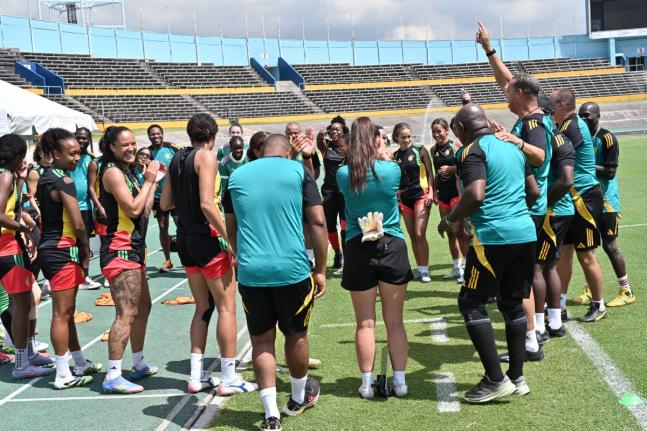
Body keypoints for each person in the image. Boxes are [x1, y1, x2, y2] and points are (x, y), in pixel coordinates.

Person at [223, 134, 327, 431]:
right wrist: (320, 268)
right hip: (290, 269)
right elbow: (318, 223)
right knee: (296, 335)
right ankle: (296, 399)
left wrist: (242, 259)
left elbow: (230, 229)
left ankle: (271, 415)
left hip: (252, 272)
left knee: (261, 340)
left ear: (261, 152)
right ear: (286, 152)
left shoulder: (237, 175)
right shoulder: (297, 171)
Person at [438, 104, 538, 403]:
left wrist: (449, 219)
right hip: (525, 232)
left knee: (471, 303)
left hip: (493, 237)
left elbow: (475, 194)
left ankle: (495, 379)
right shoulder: (511, 145)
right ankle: (517, 377)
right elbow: (532, 191)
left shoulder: (471, 151)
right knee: (512, 304)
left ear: (459, 129)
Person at [161, 114, 256, 395]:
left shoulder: (175, 159)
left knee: (202, 307)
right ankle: (229, 378)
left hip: (187, 240)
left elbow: (165, 202)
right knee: (227, 307)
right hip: (207, 239)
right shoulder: (206, 157)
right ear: (213, 136)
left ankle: (196, 376)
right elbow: (206, 203)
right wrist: (230, 239)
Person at [477, 22, 551, 358]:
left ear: (521, 95)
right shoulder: (529, 115)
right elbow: (508, 80)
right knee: (527, 275)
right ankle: (534, 333)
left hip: (530, 211)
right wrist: (489, 50)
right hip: (529, 209)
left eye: (509, 91)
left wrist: (512, 139)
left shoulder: (533, 123)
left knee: (523, 278)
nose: (503, 92)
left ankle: (531, 338)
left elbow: (538, 156)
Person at [337, 117, 414, 399]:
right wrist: (383, 155)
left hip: (358, 246)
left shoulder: (343, 174)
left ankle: (366, 383)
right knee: (395, 321)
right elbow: (402, 182)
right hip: (391, 245)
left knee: (365, 323)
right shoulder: (391, 170)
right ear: (377, 140)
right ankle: (401, 381)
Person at [38, 128, 102, 389]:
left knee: (67, 312)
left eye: (78, 153)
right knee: (61, 314)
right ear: (55, 153)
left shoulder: (45, 177)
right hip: (62, 249)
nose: (77, 158)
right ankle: (63, 373)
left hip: (52, 248)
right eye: (71, 153)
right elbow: (77, 222)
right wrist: (86, 248)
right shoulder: (63, 181)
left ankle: (79, 362)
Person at [99, 126, 161, 394]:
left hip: (135, 249)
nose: (131, 148)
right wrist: (148, 181)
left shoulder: (130, 172)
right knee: (126, 314)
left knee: (143, 308)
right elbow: (133, 208)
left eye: (133, 143)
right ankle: (113, 375)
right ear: (111, 147)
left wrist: (153, 181)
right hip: (119, 250)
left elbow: (144, 210)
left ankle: (138, 364)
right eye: (124, 144)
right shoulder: (112, 172)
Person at [549, 89, 607, 322]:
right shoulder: (565, 125)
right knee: (564, 254)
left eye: (552, 104)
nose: (550, 108)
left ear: (562, 104)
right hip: (571, 198)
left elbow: (557, 157)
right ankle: (559, 305)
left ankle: (598, 304)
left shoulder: (572, 126)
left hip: (584, 197)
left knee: (586, 255)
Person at [0, 134, 53, 379]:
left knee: (30, 300)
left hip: (8, 248)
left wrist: (20, 181)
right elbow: (0, 214)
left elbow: (12, 205)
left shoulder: (9, 176)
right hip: (7, 249)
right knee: (21, 306)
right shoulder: (5, 175)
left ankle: (29, 353)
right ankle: (21, 363)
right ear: (19, 155)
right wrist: (23, 229)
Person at [578, 102, 634, 307]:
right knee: (588, 248)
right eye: (580, 116)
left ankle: (626, 290)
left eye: (587, 116)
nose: (584, 119)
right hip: (588, 201)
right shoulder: (580, 138)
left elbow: (610, 172)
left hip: (607, 202)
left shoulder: (607, 138)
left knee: (610, 246)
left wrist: (584, 166)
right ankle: (590, 289)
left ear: (598, 116)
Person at [391, 122, 435, 282]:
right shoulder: (394, 156)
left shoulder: (420, 150)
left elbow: (430, 173)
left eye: (409, 136)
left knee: (419, 233)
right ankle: (420, 268)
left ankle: (425, 271)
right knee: (412, 236)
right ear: (396, 137)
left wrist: (431, 191)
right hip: (405, 199)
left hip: (420, 195)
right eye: (403, 137)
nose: (407, 140)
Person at [430, 118, 468, 282]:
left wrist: (452, 168)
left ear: (447, 131)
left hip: (456, 193)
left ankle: (467, 268)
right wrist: (435, 192)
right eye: (433, 131)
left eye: (439, 131)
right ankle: (456, 266)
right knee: (449, 230)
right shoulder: (433, 150)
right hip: (442, 194)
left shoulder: (456, 145)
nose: (436, 134)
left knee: (459, 231)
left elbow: (466, 165)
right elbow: (436, 172)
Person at [71, 127, 102, 290]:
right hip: (67, 207)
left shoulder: (91, 160)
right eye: (79, 138)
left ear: (89, 140)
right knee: (70, 243)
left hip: (84, 208)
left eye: (85, 138)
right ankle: (72, 276)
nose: (82, 141)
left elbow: (92, 186)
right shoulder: (67, 156)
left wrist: (96, 207)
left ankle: (84, 276)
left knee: (84, 244)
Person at [317, 116, 349, 271]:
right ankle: (338, 253)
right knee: (329, 224)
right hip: (329, 190)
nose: (335, 131)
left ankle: (348, 258)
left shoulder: (350, 146)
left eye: (338, 129)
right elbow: (318, 140)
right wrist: (324, 131)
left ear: (343, 131)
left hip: (345, 191)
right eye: (333, 129)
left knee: (345, 225)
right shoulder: (326, 145)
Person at [147, 124, 178, 273]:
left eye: (158, 133)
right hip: (158, 198)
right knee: (163, 227)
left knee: (182, 226)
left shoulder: (172, 148)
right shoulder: (147, 153)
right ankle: (168, 260)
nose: (156, 136)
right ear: (149, 136)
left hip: (175, 195)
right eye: (152, 134)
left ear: (162, 134)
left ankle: (189, 256)